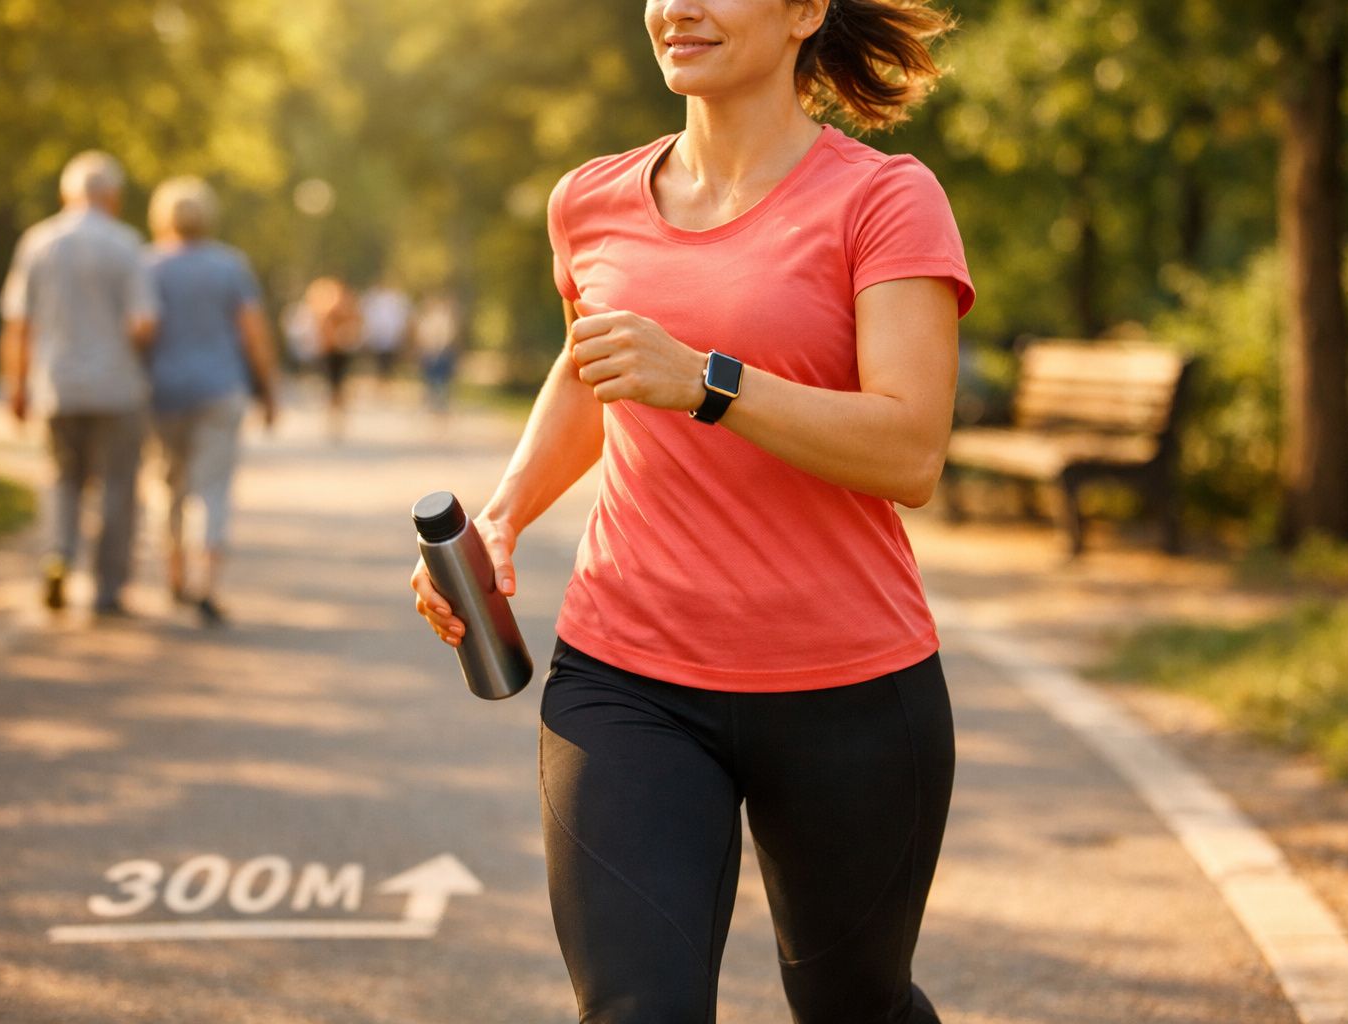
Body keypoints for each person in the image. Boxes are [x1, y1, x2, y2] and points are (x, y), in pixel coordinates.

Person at [411, 1, 975, 1021]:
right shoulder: (589, 200)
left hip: (847, 688)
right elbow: (594, 374)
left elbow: (909, 447)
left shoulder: (888, 199)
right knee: (639, 1009)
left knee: (856, 1005)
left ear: (807, 10)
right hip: (627, 678)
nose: (677, 6)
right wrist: (502, 517)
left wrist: (713, 383)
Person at [0, 150, 156, 618]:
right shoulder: (127, 244)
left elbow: (18, 325)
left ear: (67, 193)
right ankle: (108, 590)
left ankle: (58, 555)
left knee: (62, 479)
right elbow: (143, 322)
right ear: (112, 196)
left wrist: (16, 385)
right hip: (117, 388)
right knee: (115, 488)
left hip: (56, 385)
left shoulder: (39, 242)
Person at [144, 176, 278, 628]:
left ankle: (175, 576)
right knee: (213, 490)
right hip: (221, 390)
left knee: (169, 488)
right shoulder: (230, 266)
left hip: (162, 394)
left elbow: (139, 331)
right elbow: (253, 334)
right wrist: (269, 390)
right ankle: (207, 586)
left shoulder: (148, 266)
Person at [304, 275, 361, 441]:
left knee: (338, 386)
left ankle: (337, 418)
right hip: (329, 351)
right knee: (333, 386)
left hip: (341, 351)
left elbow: (356, 324)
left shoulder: (346, 306)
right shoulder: (327, 306)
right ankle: (333, 418)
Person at [411, 289, 460, 417]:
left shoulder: (441, 319)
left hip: (439, 352)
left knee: (439, 380)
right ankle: (434, 404)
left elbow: (446, 336)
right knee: (431, 380)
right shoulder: (430, 319)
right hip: (430, 352)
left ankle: (439, 405)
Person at [360, 275, 412, 391]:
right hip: (378, 337)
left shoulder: (395, 298)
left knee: (389, 362)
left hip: (391, 337)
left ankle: (386, 384)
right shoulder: (373, 298)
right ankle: (381, 384)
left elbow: (402, 317)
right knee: (379, 362)